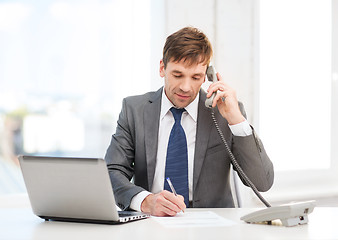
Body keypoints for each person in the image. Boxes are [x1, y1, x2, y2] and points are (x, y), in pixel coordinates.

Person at [104, 26, 274, 217]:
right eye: (177, 75)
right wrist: (145, 201)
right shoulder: (134, 109)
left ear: (208, 75)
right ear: (162, 68)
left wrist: (236, 120)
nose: (186, 87)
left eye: (196, 77)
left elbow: (262, 182)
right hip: (151, 222)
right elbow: (111, 172)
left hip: (213, 226)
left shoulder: (223, 113)